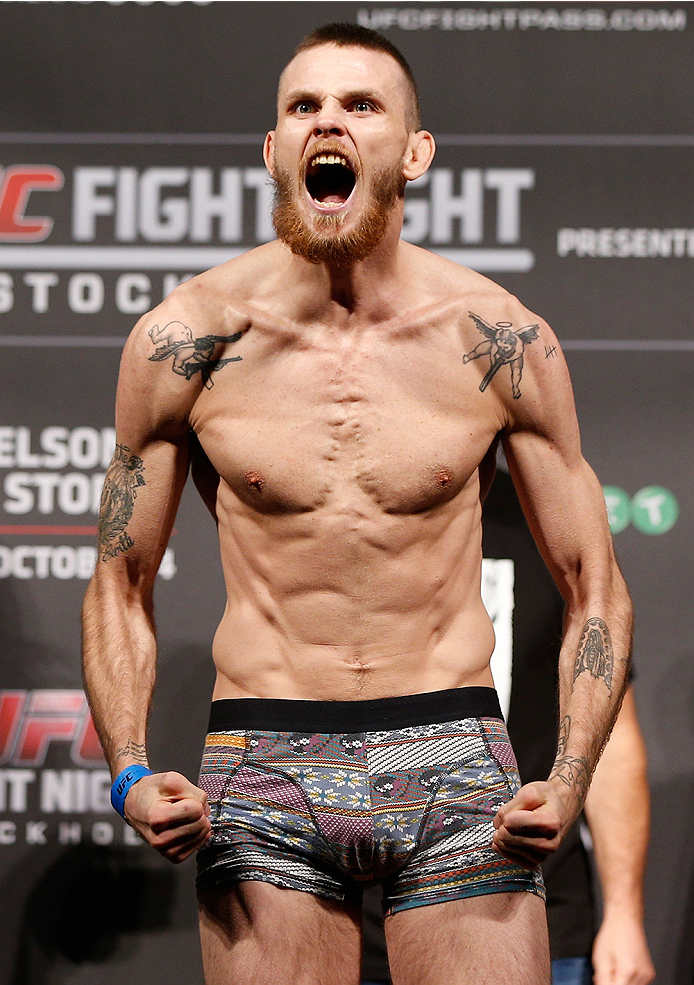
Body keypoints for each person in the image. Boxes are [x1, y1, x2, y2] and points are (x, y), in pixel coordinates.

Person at [81, 22, 633, 985]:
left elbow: (595, 586)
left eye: (359, 105)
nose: (326, 122)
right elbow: (119, 582)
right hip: (265, 754)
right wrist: (129, 766)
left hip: (453, 750)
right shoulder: (185, 340)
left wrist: (572, 778)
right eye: (303, 106)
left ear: (414, 153)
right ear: (272, 150)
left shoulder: (498, 339)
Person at [361, 466, 654, 985]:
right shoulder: (361, 521)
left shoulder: (556, 525)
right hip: (365, 918)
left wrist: (625, 917)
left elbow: (611, 742)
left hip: (538, 907)